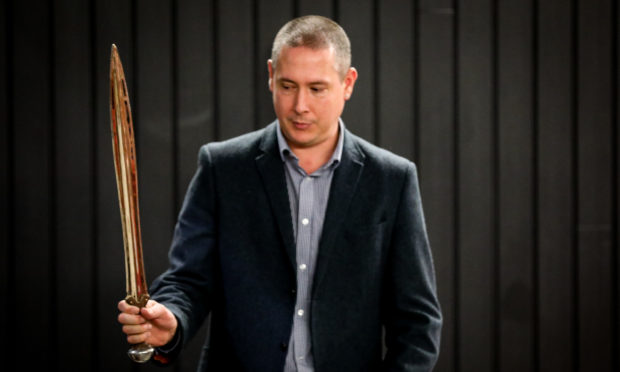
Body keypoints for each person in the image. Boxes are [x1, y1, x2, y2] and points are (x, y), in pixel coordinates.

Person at [118, 15, 442, 371]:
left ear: (347, 83)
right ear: (271, 75)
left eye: (317, 89)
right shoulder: (222, 167)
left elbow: (417, 321)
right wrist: (173, 320)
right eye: (288, 86)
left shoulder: (392, 180)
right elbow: (189, 279)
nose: (300, 105)